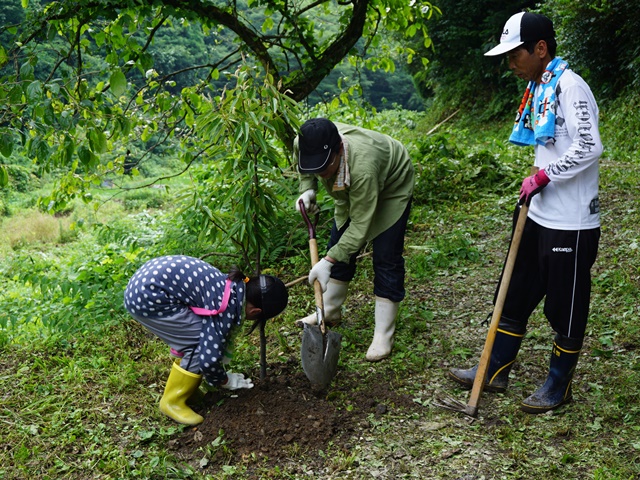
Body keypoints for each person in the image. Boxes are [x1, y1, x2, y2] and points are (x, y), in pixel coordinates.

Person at [449, 12, 602, 413]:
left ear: (540, 48)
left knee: (565, 308)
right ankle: (493, 369)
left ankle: (558, 385)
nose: (510, 62)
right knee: (515, 294)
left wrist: (544, 176)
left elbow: (589, 146)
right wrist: (536, 184)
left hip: (572, 222)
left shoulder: (570, 87)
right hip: (539, 215)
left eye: (515, 53)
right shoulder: (540, 88)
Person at [294, 118, 414, 362]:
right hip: (353, 186)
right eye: (314, 167)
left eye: (323, 168)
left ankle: (383, 335)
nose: (320, 173)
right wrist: (308, 188)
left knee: (385, 255)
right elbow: (303, 167)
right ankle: (330, 309)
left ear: (339, 150)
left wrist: (328, 261)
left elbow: (361, 225)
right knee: (339, 240)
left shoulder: (363, 168)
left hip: (393, 184)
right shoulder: (303, 142)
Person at [124, 255, 288, 425]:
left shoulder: (230, 287)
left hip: (148, 282)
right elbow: (208, 359)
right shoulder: (226, 307)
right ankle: (173, 401)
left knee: (196, 334)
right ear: (255, 312)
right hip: (147, 297)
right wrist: (224, 380)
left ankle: (189, 391)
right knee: (197, 343)